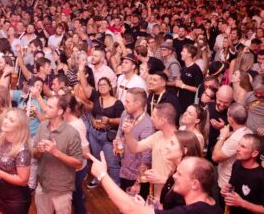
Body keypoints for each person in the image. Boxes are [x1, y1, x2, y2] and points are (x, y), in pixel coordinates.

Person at [89, 154, 222, 214]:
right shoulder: (212, 205)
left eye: (179, 174)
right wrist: (145, 208)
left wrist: (102, 175)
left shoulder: (195, 211)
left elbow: (128, 208)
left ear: (195, 184)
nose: (174, 176)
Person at [33, 93, 83, 214]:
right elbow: (34, 154)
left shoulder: (72, 133)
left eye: (50, 107)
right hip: (42, 186)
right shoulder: (42, 126)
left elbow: (78, 164)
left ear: (60, 112)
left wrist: (56, 152)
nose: (45, 108)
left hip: (62, 190)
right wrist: (38, 151)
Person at [124, 102, 177, 198]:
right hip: (156, 195)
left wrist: (162, 179)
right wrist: (128, 133)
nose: (151, 119)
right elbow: (135, 148)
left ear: (162, 120)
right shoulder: (158, 135)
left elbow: (187, 178)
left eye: (153, 116)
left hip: (171, 197)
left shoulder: (179, 142)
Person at [0, 108, 31, 214]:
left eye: (11, 120)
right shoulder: (2, 140)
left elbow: (23, 180)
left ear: (19, 127)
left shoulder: (23, 150)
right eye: (6, 117)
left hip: (16, 199)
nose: (5, 121)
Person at [80, 75, 124, 187]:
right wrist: (93, 120)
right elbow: (84, 86)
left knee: (112, 162)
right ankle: (97, 178)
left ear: (110, 87)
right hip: (94, 133)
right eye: (100, 85)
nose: (102, 86)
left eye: (104, 84)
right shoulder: (96, 98)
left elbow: (122, 120)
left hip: (108, 136)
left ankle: (115, 185)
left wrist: (109, 120)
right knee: (97, 158)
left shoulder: (117, 103)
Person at [223, 134, 264, 214]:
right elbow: (233, 187)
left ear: (254, 153)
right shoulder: (237, 164)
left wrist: (242, 203)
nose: (237, 149)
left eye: (243, 147)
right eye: (238, 145)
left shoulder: (263, 178)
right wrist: (226, 189)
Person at [116, 87, 154, 195]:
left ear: (137, 104)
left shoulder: (147, 125)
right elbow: (120, 130)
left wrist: (138, 182)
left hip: (135, 175)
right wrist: (117, 141)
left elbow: (146, 158)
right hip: (123, 168)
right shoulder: (125, 114)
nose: (124, 103)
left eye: (127, 101)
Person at [211, 103, 252, 199]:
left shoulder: (235, 140)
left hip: (226, 184)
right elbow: (234, 134)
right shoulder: (248, 131)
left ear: (230, 119)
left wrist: (222, 136)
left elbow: (215, 158)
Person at [63, 94, 91, 214]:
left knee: (76, 198)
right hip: (70, 168)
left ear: (68, 110)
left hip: (77, 169)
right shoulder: (66, 121)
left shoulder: (77, 126)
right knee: (76, 195)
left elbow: (86, 152)